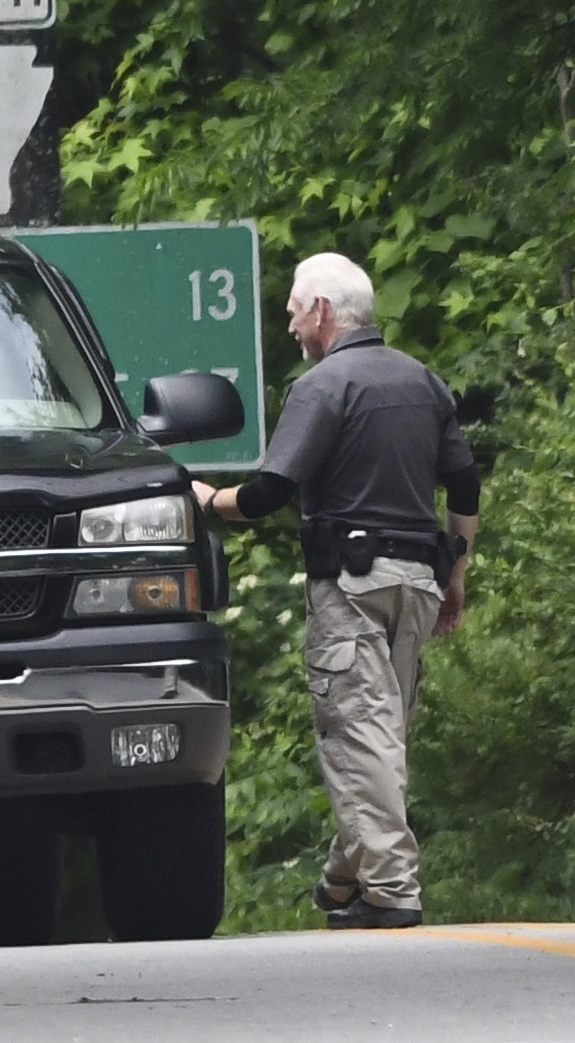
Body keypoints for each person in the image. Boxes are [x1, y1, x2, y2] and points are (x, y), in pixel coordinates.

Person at [193, 253, 479, 930]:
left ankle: (391, 887)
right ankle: (345, 878)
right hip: (418, 582)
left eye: (293, 310)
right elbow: (464, 487)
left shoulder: (324, 386)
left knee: (362, 736)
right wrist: (457, 572)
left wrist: (209, 500)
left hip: (350, 587)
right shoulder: (425, 382)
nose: (291, 324)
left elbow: (269, 494)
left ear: (320, 309)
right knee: (383, 735)